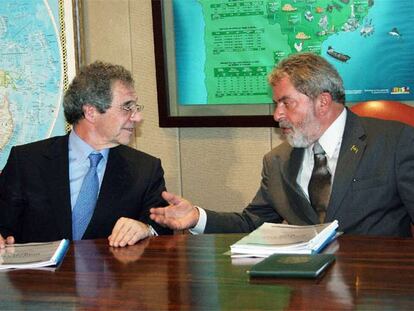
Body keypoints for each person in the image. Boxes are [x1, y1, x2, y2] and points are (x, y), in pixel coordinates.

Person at [150, 53, 414, 237]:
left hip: (375, 286)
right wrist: (197, 217)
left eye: (286, 103)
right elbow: (252, 224)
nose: (277, 115)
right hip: (304, 290)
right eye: (277, 104)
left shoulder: (395, 142)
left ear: (322, 102)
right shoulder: (277, 161)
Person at [0, 61, 172, 248]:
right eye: (127, 107)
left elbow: (163, 226)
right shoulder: (26, 161)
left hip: (111, 276)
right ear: (90, 112)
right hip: (40, 276)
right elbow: (4, 223)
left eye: (136, 108)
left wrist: (146, 228)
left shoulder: (146, 169)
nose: (138, 117)